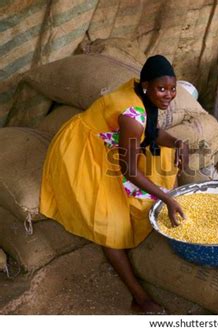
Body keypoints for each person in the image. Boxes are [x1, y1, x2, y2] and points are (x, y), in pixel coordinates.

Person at [40, 55, 189, 314]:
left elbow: (151, 133)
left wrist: (178, 143)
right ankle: (140, 298)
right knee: (112, 226)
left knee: (162, 159)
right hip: (86, 149)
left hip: (115, 143)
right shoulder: (133, 115)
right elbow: (129, 170)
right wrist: (167, 199)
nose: (168, 95)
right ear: (145, 86)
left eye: (172, 88)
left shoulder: (142, 99)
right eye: (161, 89)